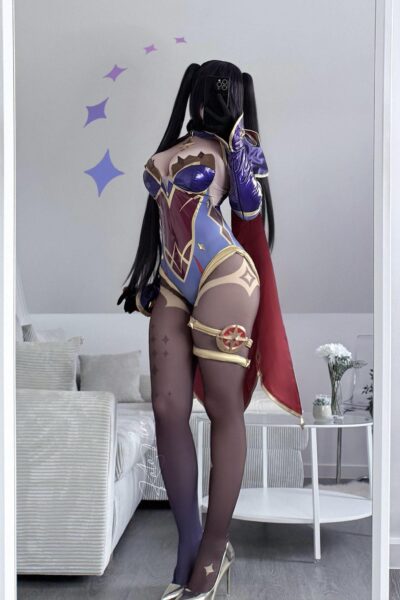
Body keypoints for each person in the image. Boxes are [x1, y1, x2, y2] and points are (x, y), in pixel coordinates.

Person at [117, 60, 304, 600]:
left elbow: (248, 208)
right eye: (215, 90)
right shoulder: (174, 146)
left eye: (230, 92)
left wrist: (244, 159)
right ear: (197, 92)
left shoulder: (237, 149)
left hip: (225, 274)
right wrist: (144, 279)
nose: (220, 98)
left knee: (224, 407)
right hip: (171, 283)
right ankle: (189, 545)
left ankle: (213, 550)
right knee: (166, 408)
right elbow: (158, 223)